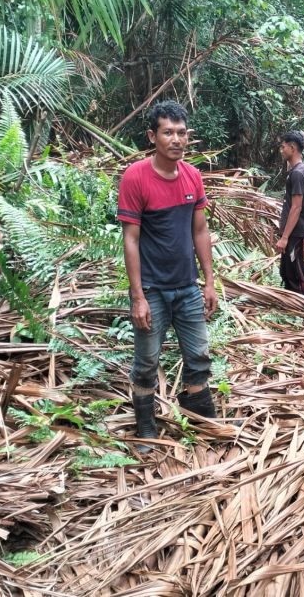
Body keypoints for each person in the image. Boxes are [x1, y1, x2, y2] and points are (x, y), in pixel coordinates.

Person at [117, 100, 218, 452]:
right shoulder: (135, 177)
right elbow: (130, 239)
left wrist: (209, 281)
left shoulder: (192, 175)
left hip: (187, 286)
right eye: (167, 132)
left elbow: (200, 231)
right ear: (152, 136)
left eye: (181, 133)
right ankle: (145, 423)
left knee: (199, 355)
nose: (176, 139)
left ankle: (199, 411)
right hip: (153, 289)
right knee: (147, 361)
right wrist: (137, 296)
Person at [275, 130, 304, 295]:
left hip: (295, 234)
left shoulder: (297, 173)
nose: (281, 150)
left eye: (283, 147)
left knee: (295, 273)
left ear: (292, 147)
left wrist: (284, 237)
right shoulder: (299, 170)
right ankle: (292, 308)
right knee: (287, 270)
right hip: (293, 232)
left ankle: (303, 309)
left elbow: (296, 207)